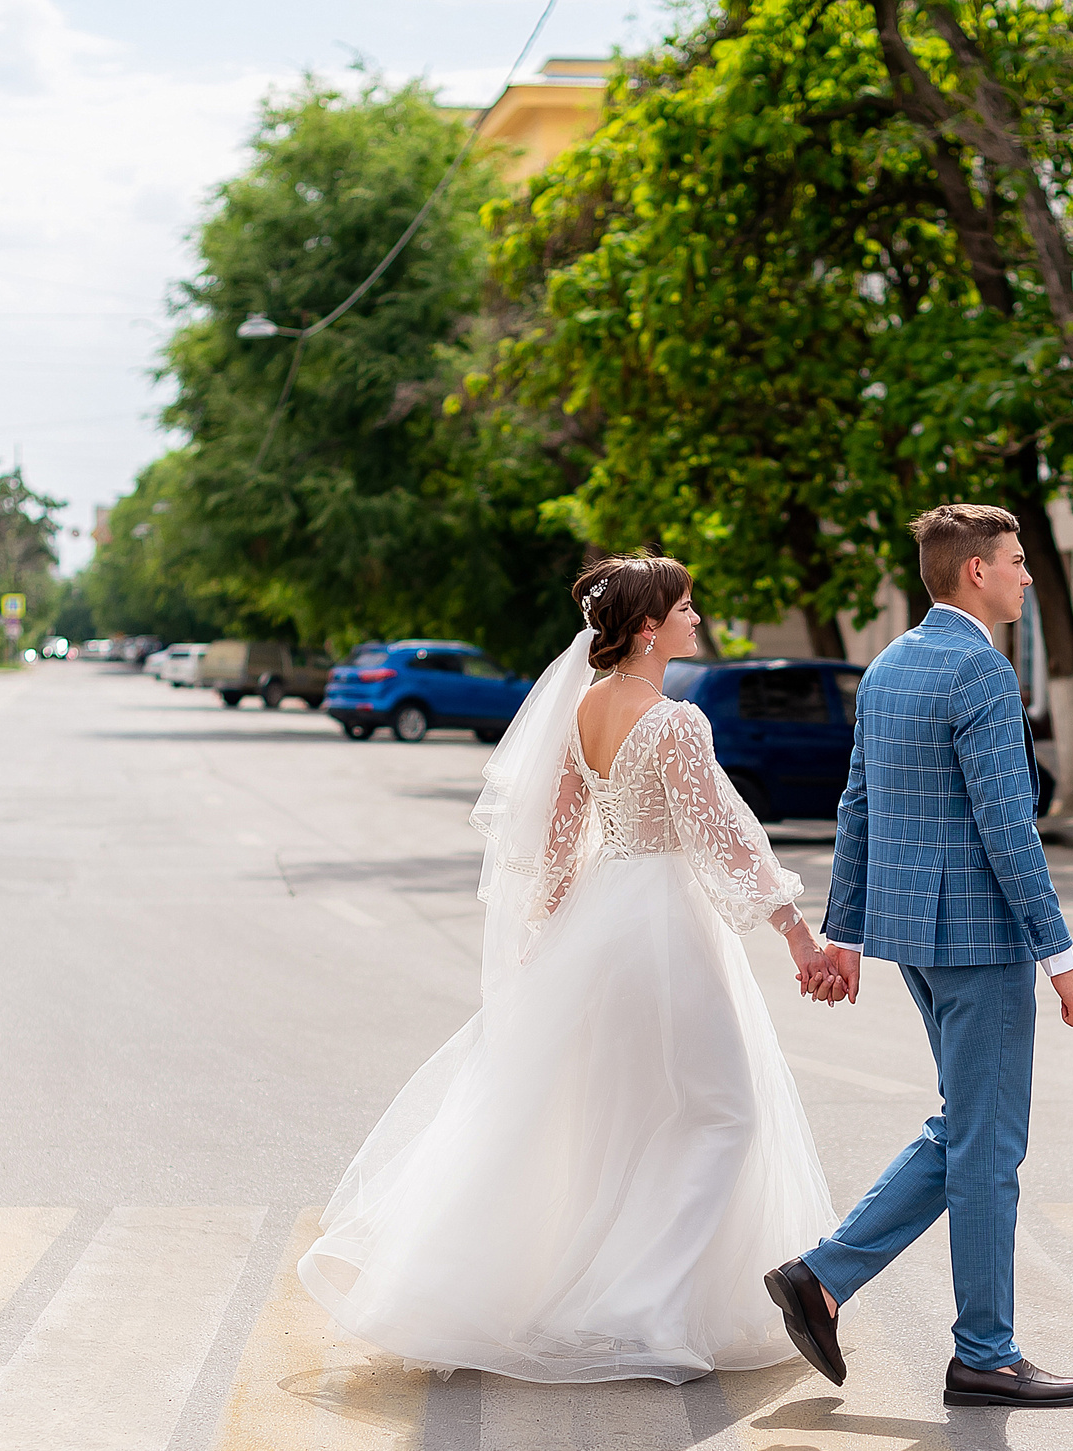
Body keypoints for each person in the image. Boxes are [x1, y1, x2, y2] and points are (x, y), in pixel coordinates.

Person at [299, 557, 843, 1384]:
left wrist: (552, 934)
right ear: (649, 627)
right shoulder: (674, 722)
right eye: (686, 607)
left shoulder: (581, 709)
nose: (697, 618)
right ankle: (639, 1309)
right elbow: (723, 838)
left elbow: (557, 837)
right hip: (664, 926)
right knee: (725, 1111)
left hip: (601, 918)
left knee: (620, 1116)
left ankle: (603, 1292)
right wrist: (797, 933)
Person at [765, 503, 1073, 1409]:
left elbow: (858, 805)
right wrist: (1061, 959)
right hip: (982, 941)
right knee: (989, 1146)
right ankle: (985, 1353)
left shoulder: (889, 665)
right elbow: (1008, 827)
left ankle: (822, 1277)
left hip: (913, 936)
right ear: (975, 571)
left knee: (968, 1127)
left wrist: (847, 933)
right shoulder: (979, 670)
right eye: (1017, 560)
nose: (1026, 575)